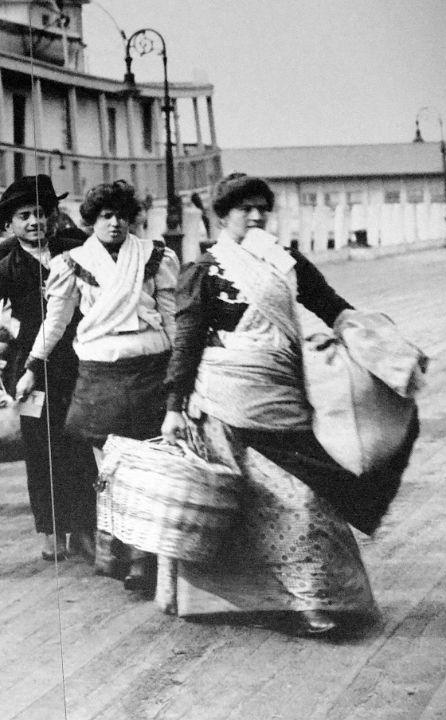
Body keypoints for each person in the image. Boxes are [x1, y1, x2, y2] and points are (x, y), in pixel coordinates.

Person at [160, 173, 416, 636]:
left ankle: (318, 599)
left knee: (310, 502)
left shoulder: (288, 262)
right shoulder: (205, 269)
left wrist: (376, 346)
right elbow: (187, 340)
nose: (256, 217)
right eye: (244, 209)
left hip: (284, 399)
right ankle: (247, 602)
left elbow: (333, 305)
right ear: (222, 215)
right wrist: (175, 406)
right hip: (223, 401)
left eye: (262, 208)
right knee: (245, 508)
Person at [16, 180, 180, 595]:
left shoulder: (155, 256)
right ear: (91, 221)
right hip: (99, 374)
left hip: (148, 369)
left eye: (122, 216)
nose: (115, 224)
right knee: (110, 469)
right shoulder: (70, 263)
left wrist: (184, 369)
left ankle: (143, 559)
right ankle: (116, 550)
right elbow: (54, 322)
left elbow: (171, 317)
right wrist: (33, 367)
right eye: (106, 216)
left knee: (148, 467)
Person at [0, 175, 89, 563]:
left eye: (41, 213)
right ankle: (52, 530)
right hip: (28, 371)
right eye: (25, 216)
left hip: (78, 361)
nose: (35, 222)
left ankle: (85, 527)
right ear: (10, 224)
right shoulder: (6, 265)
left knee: (79, 445)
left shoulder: (76, 250)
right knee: (41, 449)